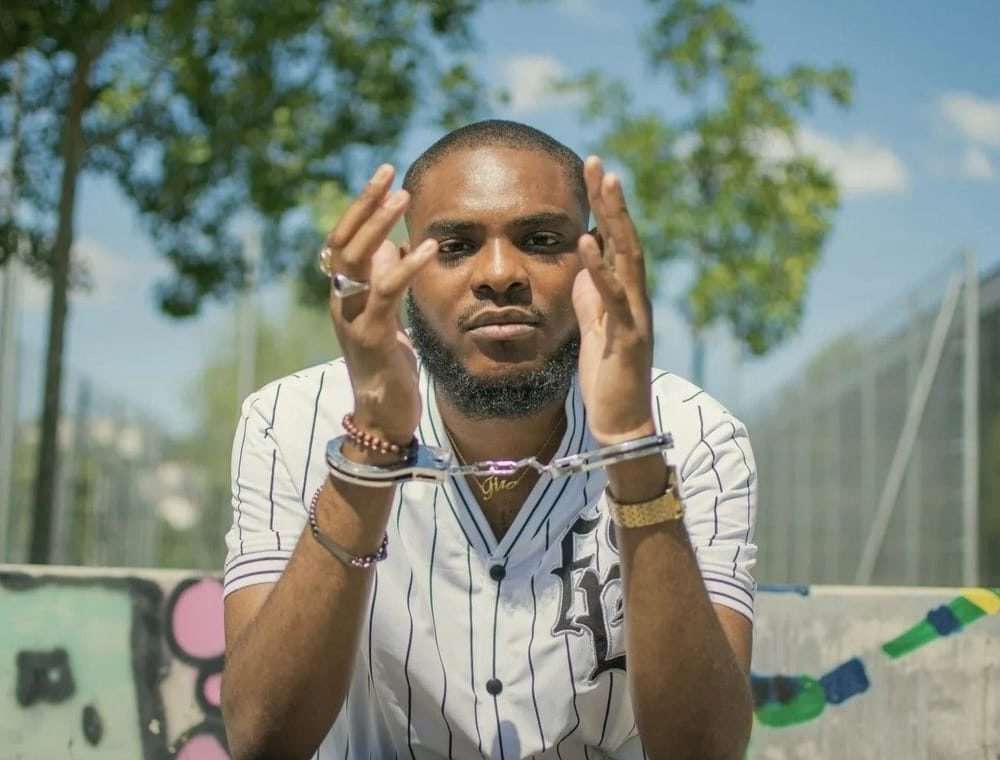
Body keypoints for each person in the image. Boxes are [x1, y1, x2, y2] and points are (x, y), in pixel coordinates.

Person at [220, 120, 757, 760]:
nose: (500, 274)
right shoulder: (288, 422)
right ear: (405, 269)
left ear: (594, 260)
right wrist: (374, 443)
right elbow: (261, 739)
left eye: (541, 240)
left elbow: (706, 750)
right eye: (455, 246)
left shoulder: (695, 434)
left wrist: (630, 444)